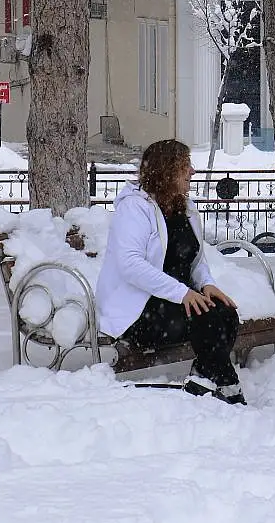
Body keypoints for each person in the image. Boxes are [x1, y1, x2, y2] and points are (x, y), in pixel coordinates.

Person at [96, 139, 245, 405]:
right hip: (139, 310)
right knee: (208, 317)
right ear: (166, 171)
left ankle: (202, 377)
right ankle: (228, 385)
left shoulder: (184, 208)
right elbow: (130, 264)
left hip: (176, 302)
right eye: (185, 166)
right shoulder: (135, 208)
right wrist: (182, 293)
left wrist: (206, 284)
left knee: (227, 313)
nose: (192, 171)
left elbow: (194, 259)